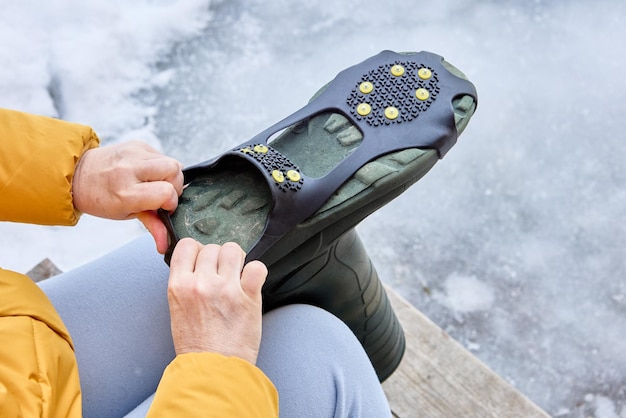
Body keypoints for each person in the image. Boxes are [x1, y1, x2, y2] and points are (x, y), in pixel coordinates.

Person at [0, 108, 391, 417]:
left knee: (194, 253)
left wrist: (66, 170)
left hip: (16, 345)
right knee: (318, 347)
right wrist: (216, 369)